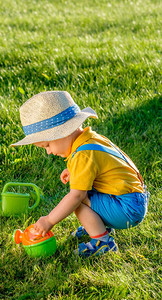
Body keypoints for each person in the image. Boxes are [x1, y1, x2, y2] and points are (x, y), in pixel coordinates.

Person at [11, 91, 149, 257]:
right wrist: (73, 170)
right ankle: (96, 223)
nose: (48, 152)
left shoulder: (82, 155)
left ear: (62, 133)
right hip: (133, 198)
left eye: (47, 145)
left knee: (77, 200)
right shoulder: (89, 139)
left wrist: (49, 220)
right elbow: (101, 165)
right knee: (81, 192)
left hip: (126, 208)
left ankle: (103, 242)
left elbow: (76, 196)